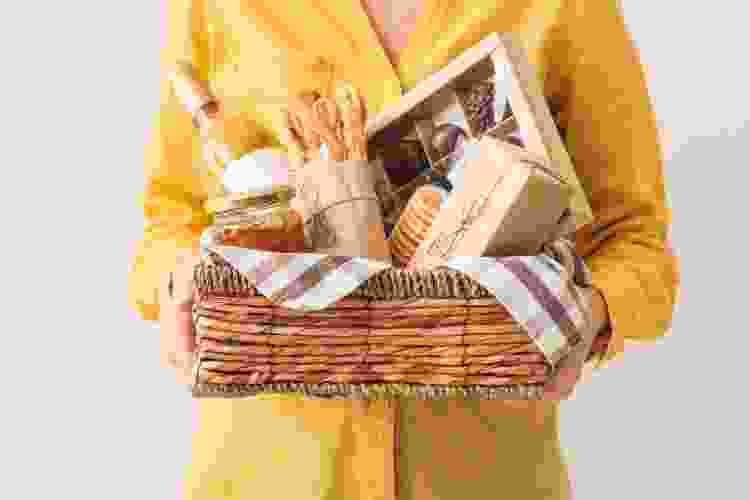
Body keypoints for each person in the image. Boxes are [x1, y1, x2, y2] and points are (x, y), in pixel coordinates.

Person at [128, 0, 679, 498]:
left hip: (483, 480)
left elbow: (635, 242)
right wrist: (176, 285)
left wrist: (591, 316)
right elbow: (168, 217)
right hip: (267, 477)